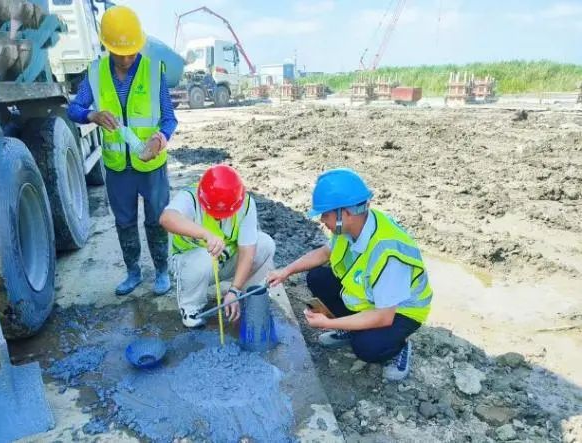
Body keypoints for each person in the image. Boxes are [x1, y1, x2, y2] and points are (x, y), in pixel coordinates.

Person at [267, 168, 433, 381]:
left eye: (325, 214)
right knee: (317, 278)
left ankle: (399, 346)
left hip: (400, 311)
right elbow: (324, 253)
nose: (322, 220)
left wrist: (328, 323)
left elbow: (383, 316)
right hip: (372, 298)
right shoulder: (351, 227)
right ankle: (350, 328)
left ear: (344, 213)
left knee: (367, 347)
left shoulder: (388, 253)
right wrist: (286, 271)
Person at [67, 6, 178, 296]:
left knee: (157, 220)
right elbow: (73, 109)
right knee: (125, 222)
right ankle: (133, 273)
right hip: (117, 168)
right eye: (119, 53)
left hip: (151, 166)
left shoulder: (153, 71)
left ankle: (162, 271)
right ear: (107, 46)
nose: (126, 59)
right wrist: (91, 115)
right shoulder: (95, 72)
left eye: (131, 52)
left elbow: (169, 118)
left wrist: (160, 139)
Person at [159, 164, 276, 328]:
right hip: (190, 264)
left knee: (265, 243)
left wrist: (234, 290)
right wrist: (205, 234)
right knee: (204, 258)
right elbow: (166, 219)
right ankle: (191, 308)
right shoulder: (190, 196)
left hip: (224, 260)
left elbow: (247, 251)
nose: (220, 217)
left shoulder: (245, 204)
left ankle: (246, 295)